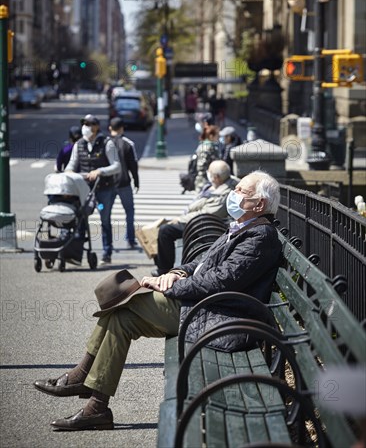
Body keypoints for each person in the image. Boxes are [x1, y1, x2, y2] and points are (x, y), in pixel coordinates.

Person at [33, 170, 282, 431]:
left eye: (241, 191)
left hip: (214, 314)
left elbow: (222, 280)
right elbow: (202, 263)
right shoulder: (244, 226)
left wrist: (170, 287)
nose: (234, 193)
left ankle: (81, 376)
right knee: (121, 319)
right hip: (201, 305)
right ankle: (97, 407)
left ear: (260, 204)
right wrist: (174, 273)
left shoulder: (260, 236)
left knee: (127, 299)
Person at [154, 160, 238, 276]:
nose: (207, 173)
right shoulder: (216, 185)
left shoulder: (224, 193)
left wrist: (180, 219)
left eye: (210, 171)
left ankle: (163, 269)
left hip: (205, 225)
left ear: (217, 177)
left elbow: (207, 213)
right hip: (199, 221)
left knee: (165, 231)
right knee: (165, 229)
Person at [66, 114, 121, 264]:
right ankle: (77, 253)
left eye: (90, 124)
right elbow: (71, 165)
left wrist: (100, 171)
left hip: (104, 189)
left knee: (104, 219)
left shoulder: (107, 143)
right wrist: (69, 173)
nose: (86, 127)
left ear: (96, 127)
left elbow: (116, 166)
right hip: (84, 189)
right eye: (84, 124)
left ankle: (106, 252)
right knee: (81, 218)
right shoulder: (79, 144)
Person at [108, 117, 139, 249]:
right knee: (129, 211)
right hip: (124, 182)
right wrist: (136, 181)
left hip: (108, 183)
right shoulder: (128, 143)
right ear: (122, 128)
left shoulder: (105, 142)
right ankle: (130, 239)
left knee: (106, 214)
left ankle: (108, 243)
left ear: (110, 128)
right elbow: (133, 165)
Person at [194, 124, 220, 192]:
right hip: (205, 180)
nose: (218, 137)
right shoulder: (208, 147)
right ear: (211, 136)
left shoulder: (205, 145)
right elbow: (202, 166)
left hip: (205, 179)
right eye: (217, 135)